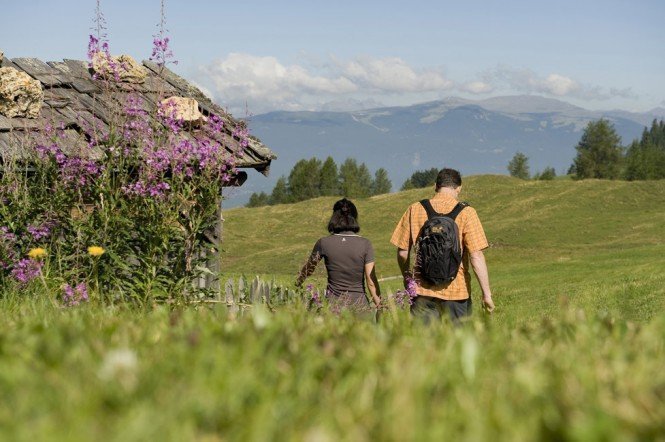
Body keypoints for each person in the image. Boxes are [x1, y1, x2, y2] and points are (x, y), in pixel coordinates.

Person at [390, 168, 494, 324]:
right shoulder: (467, 213)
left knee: (423, 345)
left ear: (435, 186)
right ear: (459, 188)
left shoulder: (415, 209)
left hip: (422, 291)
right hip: (457, 293)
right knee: (456, 346)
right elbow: (476, 256)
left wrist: (408, 278)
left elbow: (402, 253)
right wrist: (487, 295)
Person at [296, 198, 381, 310]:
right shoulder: (365, 244)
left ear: (334, 218)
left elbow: (309, 269)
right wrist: (380, 304)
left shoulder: (323, 243)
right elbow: (370, 280)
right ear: (354, 217)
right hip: (360, 307)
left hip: (334, 308)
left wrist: (298, 282)